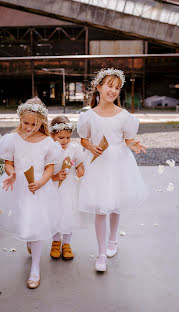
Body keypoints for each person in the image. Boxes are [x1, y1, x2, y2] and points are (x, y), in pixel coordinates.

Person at [77, 68, 148, 272]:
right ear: (98, 87)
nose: (113, 90)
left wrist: (134, 145)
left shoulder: (124, 116)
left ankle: (113, 240)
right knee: (101, 208)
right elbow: (83, 138)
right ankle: (100, 253)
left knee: (115, 205)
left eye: (117, 87)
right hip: (98, 164)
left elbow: (128, 139)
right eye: (109, 85)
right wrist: (89, 147)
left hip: (118, 163)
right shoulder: (88, 116)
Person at [0, 97, 62, 289]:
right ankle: (31, 243)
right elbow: (9, 163)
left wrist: (41, 182)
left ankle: (35, 268)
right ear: (20, 120)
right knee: (25, 220)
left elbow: (50, 168)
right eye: (26, 123)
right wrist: (12, 173)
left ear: (42, 122)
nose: (29, 128)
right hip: (19, 187)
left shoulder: (48, 142)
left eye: (34, 124)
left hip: (38, 188)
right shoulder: (12, 140)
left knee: (35, 225)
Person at [50, 116, 84, 261]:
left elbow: (79, 162)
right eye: (61, 137)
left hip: (69, 186)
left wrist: (80, 167)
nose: (65, 141)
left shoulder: (74, 148)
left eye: (68, 137)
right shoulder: (49, 148)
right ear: (52, 135)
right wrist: (54, 176)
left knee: (69, 213)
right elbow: (44, 169)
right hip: (54, 186)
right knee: (55, 213)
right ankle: (56, 242)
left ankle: (67, 244)